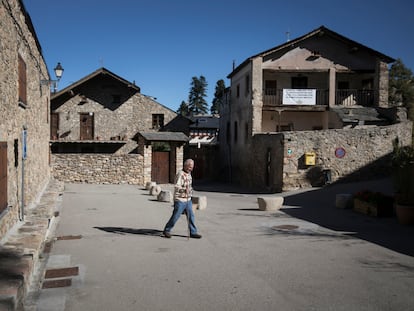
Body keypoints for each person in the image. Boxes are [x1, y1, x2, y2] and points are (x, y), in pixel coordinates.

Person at [163, 159, 202, 239]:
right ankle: (167, 230)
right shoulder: (180, 174)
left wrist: (190, 191)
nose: (191, 169)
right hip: (180, 199)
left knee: (191, 216)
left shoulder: (189, 174)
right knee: (176, 216)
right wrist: (184, 190)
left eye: (192, 167)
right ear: (186, 166)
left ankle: (193, 232)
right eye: (190, 167)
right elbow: (176, 186)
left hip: (188, 199)